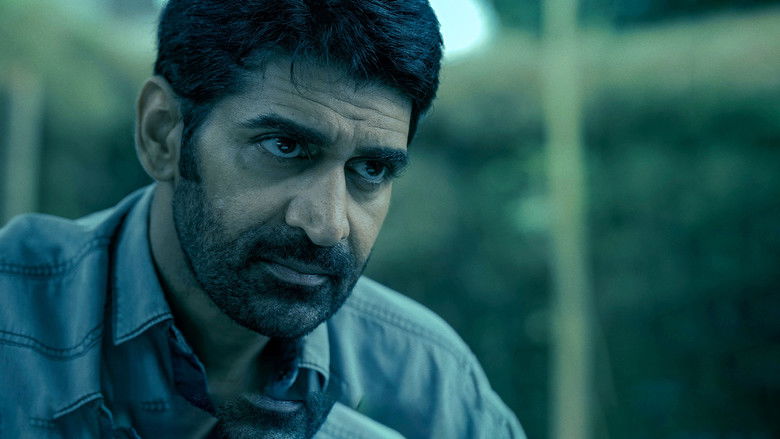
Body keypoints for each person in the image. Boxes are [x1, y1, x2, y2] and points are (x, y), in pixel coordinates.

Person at [0, 0, 524, 437]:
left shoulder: (432, 391)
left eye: (371, 169)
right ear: (162, 134)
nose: (328, 225)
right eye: (284, 146)